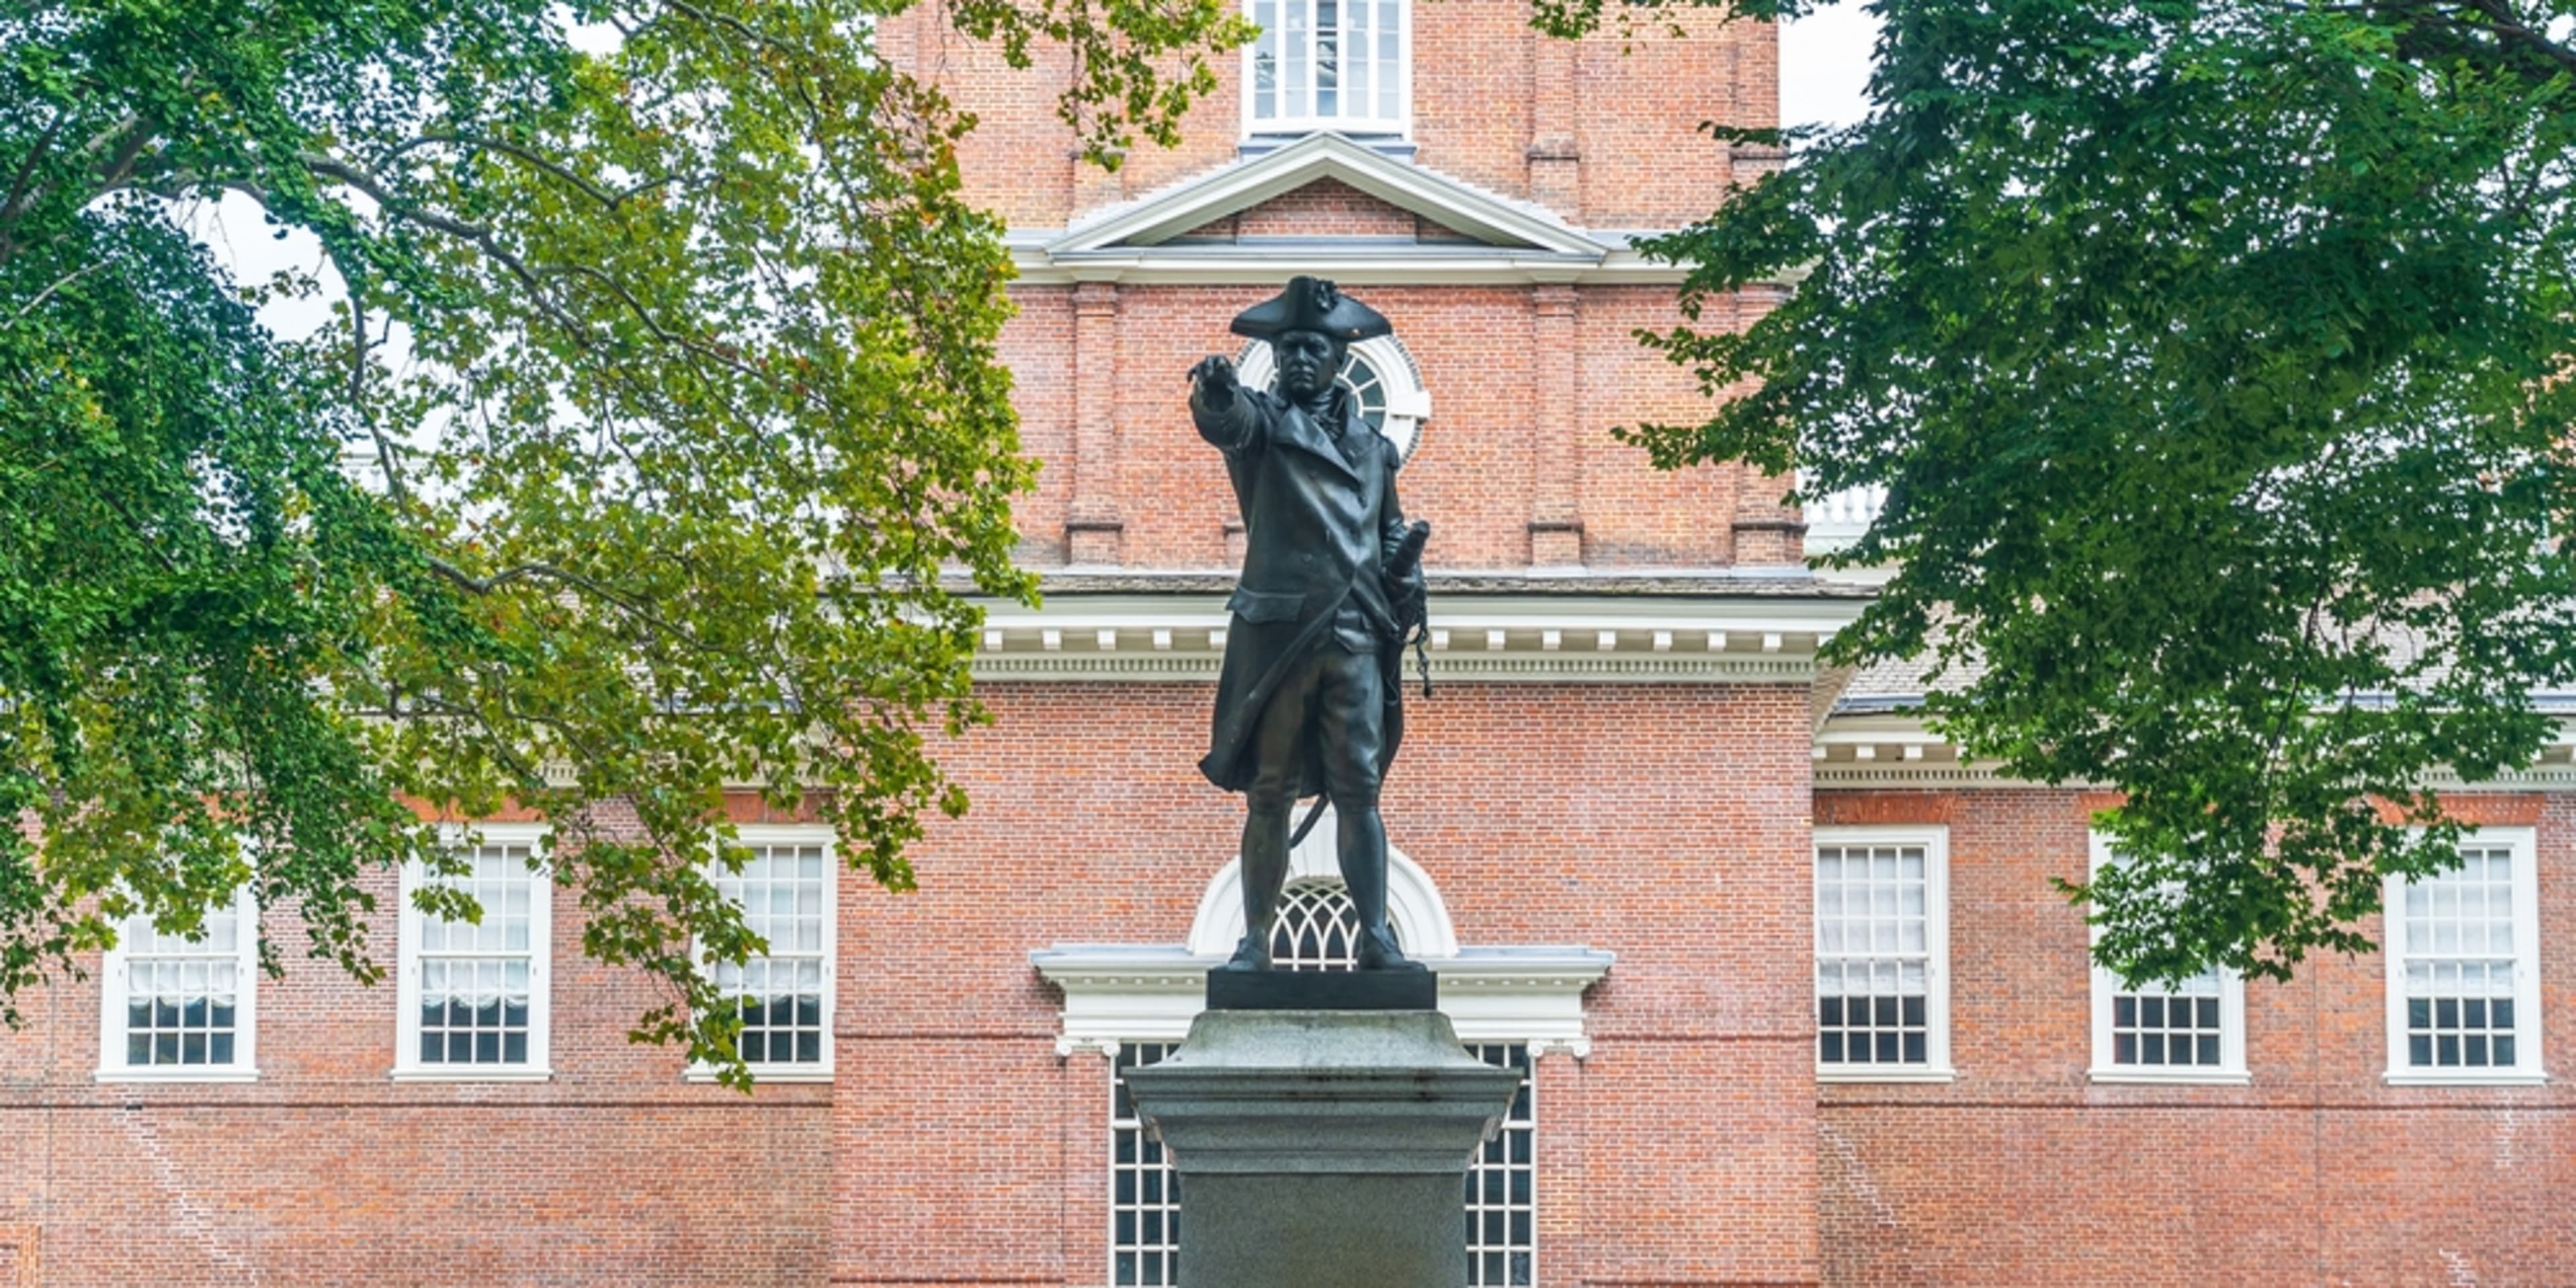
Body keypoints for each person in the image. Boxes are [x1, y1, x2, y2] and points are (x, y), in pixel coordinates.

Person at [1189, 276, 1428, 973]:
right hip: (1283, 636)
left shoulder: (1373, 448)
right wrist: (1216, 392)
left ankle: (1376, 939)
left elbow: (1385, 529)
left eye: (1311, 349)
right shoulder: (1264, 425)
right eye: (1287, 348)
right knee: (1270, 792)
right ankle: (1256, 941)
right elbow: (1227, 422)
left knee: (1360, 790)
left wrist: (1406, 572)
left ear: (1337, 360)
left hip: (1356, 632)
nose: (1297, 359)